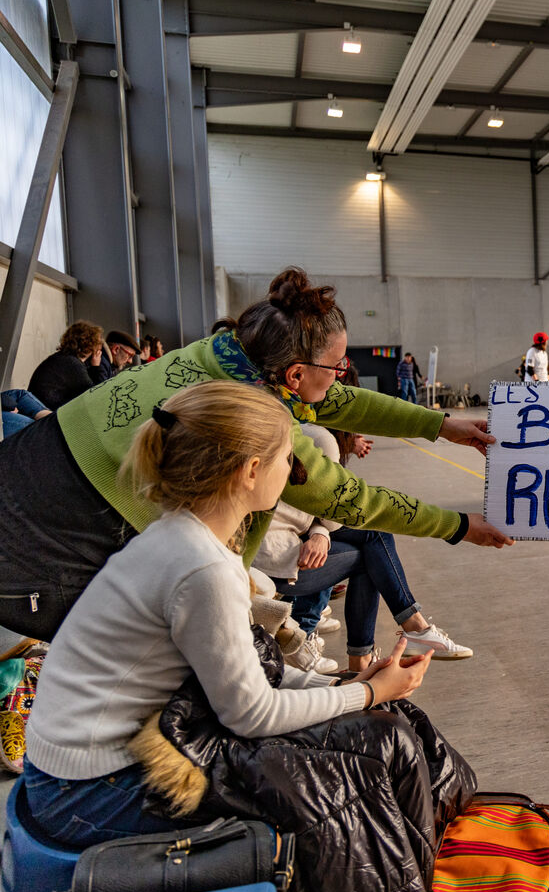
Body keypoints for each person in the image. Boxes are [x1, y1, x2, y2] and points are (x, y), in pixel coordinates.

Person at [22, 380, 474, 892]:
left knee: (384, 730)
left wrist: (350, 685)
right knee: (349, 786)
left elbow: (240, 677)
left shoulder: (183, 537)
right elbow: (251, 713)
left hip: (96, 763)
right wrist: (368, 693)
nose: (295, 470)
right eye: (287, 457)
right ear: (250, 471)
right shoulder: (203, 568)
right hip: (92, 790)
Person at [0, 267, 511, 643]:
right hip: (50, 538)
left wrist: (440, 425)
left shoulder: (229, 353)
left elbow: (337, 399)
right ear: (295, 374)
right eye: (336, 366)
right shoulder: (251, 419)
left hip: (26, 460)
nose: (340, 376)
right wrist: (458, 526)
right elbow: (347, 498)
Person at [257, 420, 472, 673]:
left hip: (281, 548)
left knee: (372, 547)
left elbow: (317, 515)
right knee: (372, 551)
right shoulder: (319, 439)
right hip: (274, 561)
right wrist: (458, 525)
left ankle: (370, 655)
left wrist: (319, 532)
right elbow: (335, 515)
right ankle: (378, 648)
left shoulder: (300, 432)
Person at [27, 320, 106, 412]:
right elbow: (95, 395)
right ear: (91, 346)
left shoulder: (62, 358)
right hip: (43, 413)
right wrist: (96, 367)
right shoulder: (72, 364)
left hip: (37, 409)